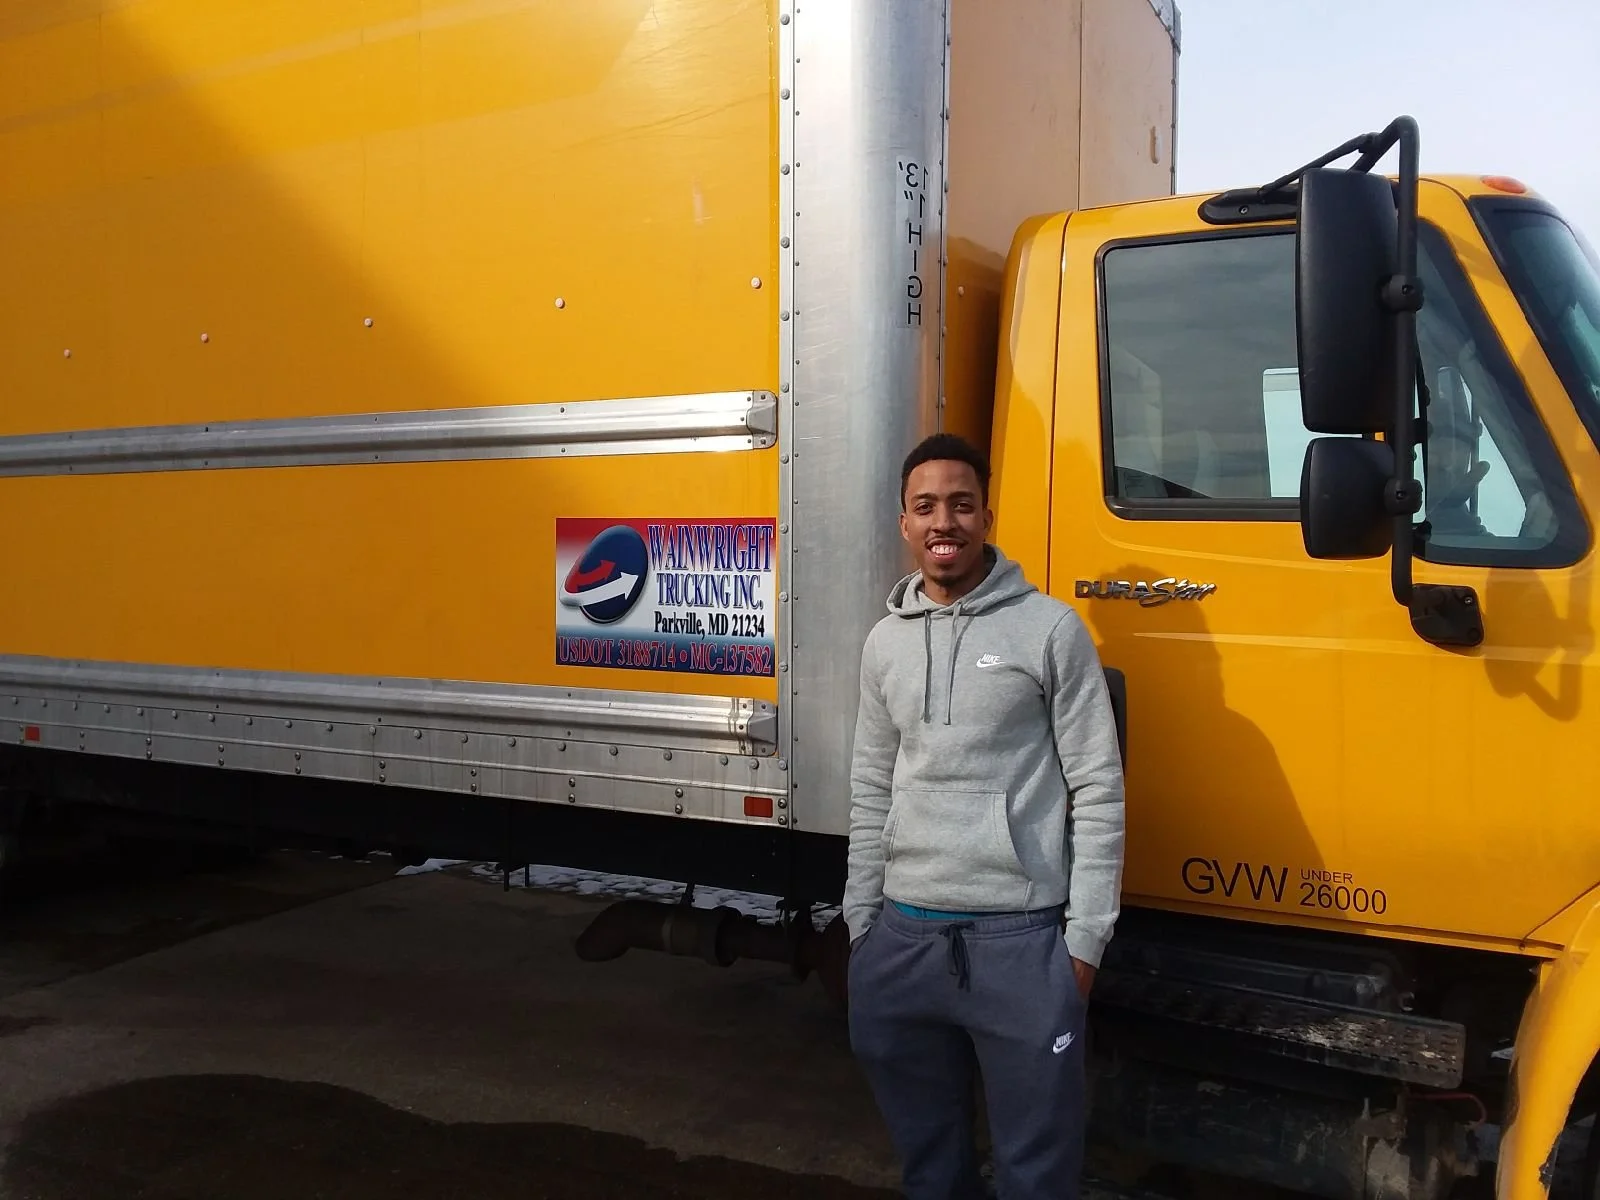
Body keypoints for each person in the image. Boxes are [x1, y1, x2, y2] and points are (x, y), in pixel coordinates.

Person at [843, 432, 1126, 1200]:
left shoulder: (1050, 630)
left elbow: (1098, 787)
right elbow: (871, 784)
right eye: (926, 506)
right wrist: (861, 925)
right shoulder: (882, 645)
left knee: (1038, 1176)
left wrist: (1084, 945)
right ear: (904, 522)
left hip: (1021, 945)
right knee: (930, 1172)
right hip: (900, 942)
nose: (946, 521)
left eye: (962, 505)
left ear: (987, 517)